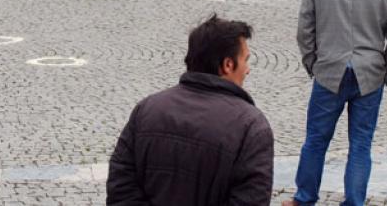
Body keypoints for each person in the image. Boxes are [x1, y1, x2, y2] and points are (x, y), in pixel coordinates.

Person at [283, 0, 387, 206]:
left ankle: (304, 197)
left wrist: (313, 63)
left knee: (316, 140)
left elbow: (305, 29)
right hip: (370, 72)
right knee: (361, 145)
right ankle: (354, 201)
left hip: (328, 70)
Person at [107, 15, 273, 205]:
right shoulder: (251, 127)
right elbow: (251, 199)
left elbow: (121, 185)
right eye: (246, 60)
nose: (248, 69)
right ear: (228, 65)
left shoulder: (146, 110)